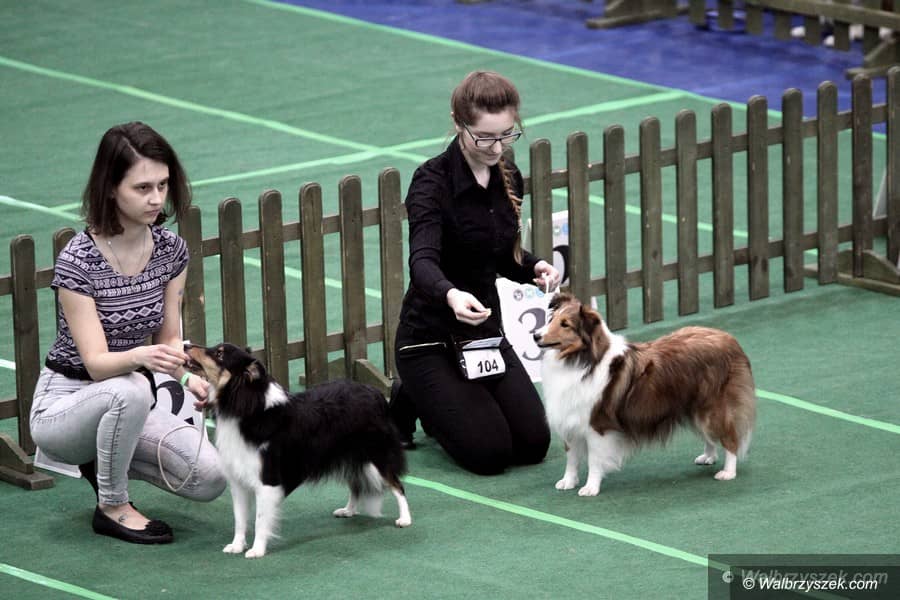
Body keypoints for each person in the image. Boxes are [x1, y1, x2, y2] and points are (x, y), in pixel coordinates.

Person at [29, 122, 225, 544]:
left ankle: (102, 458)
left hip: (129, 400)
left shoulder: (171, 251)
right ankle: (113, 506)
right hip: (64, 407)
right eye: (142, 188)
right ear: (110, 188)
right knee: (131, 388)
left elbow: (169, 339)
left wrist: (188, 378)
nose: (157, 198)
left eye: (163, 185)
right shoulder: (78, 261)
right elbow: (97, 365)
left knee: (209, 478)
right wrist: (140, 358)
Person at [392, 71, 560, 475]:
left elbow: (499, 255)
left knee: (533, 444)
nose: (496, 148)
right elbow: (422, 262)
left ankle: (435, 397)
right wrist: (450, 294)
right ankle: (409, 394)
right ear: (458, 123)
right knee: (490, 454)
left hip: (483, 333)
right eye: (484, 137)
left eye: (506, 135)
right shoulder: (431, 181)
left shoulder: (508, 175)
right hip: (428, 339)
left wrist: (533, 266)